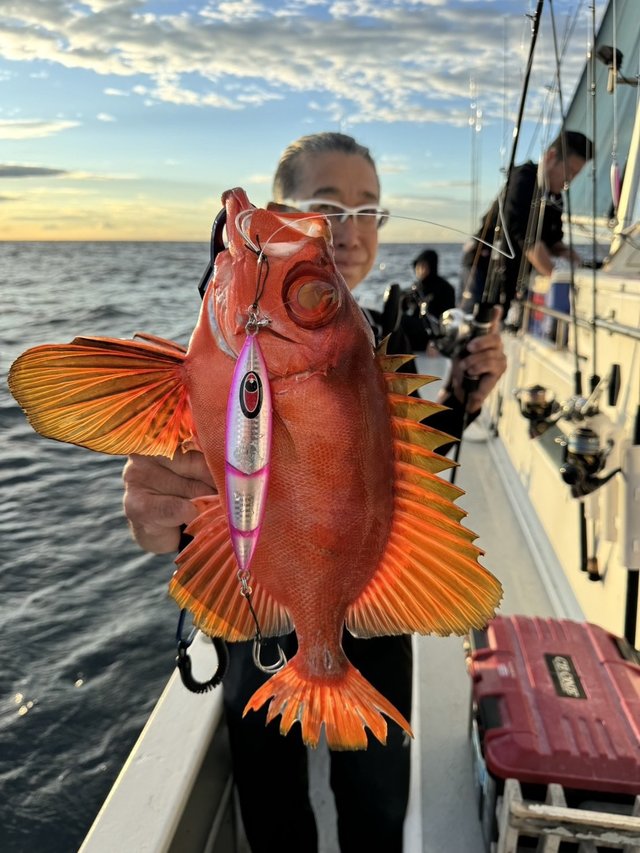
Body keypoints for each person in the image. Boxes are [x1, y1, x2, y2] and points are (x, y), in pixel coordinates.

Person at [122, 132, 507, 853]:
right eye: (328, 207)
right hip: (257, 615)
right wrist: (164, 513)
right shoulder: (229, 342)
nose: (349, 230)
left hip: (372, 620)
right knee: (272, 806)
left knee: (377, 801)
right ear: (282, 210)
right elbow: (209, 488)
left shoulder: (391, 333)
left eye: (369, 210)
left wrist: (461, 397)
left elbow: (402, 477)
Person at [459, 130, 593, 319]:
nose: (570, 180)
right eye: (569, 171)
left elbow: (554, 242)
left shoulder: (555, 198)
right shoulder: (523, 180)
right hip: (483, 268)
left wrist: (579, 266)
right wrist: (561, 281)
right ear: (551, 157)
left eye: (576, 174)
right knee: (475, 322)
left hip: (511, 278)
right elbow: (525, 237)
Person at [400, 248, 456, 351]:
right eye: (418, 266)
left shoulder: (445, 288)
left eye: (424, 266)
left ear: (432, 267)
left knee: (402, 321)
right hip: (417, 333)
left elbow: (447, 320)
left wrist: (437, 342)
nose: (420, 270)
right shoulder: (416, 287)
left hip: (433, 335)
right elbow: (406, 309)